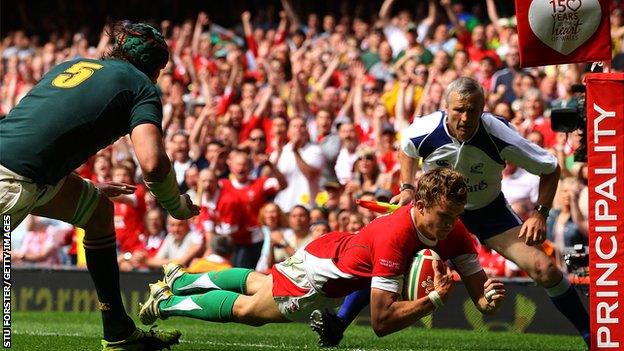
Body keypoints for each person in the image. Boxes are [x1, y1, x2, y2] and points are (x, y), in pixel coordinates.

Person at [316, 77, 588, 347]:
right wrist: (408, 187)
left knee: (545, 269)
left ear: (483, 109)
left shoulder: (499, 135)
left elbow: (550, 168)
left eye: (473, 110)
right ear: (446, 107)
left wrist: (540, 213)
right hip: (434, 213)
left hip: (488, 213)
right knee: (389, 258)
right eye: (459, 109)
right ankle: (339, 322)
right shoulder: (424, 129)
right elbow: (407, 149)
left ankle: (591, 336)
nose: (466, 117)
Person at [0, 21, 200, 350]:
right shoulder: (141, 86)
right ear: (156, 68)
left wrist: (82, 182)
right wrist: (175, 205)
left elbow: (37, 135)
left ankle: (118, 330)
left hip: (24, 171)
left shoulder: (74, 64)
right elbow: (152, 163)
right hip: (14, 179)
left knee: (97, 213)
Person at [137, 169, 505, 340]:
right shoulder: (396, 236)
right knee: (250, 312)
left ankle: (181, 278)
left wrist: (487, 299)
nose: (450, 226)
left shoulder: (454, 228)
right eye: (443, 216)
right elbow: (381, 322)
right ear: (422, 205)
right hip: (319, 275)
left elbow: (480, 293)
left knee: (258, 283)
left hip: (331, 247)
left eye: (456, 216)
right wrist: (435, 299)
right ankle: (165, 303)